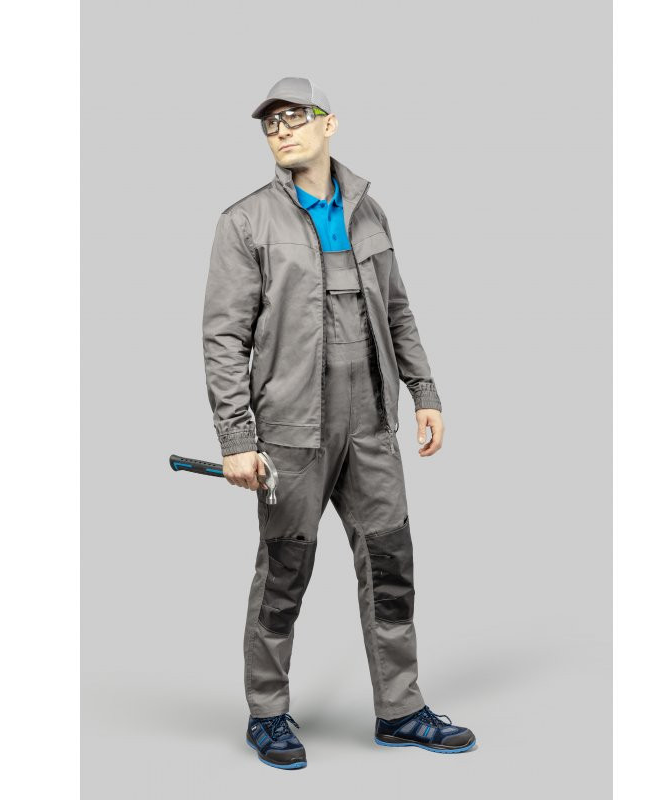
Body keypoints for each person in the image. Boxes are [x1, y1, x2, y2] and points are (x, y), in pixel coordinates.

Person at [202, 76, 477, 770]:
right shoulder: (245, 222)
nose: (282, 131)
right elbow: (224, 339)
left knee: (391, 566)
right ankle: (268, 713)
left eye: (295, 118)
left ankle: (401, 709)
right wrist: (237, 439)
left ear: (329, 124)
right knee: (284, 572)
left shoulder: (368, 211)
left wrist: (424, 391)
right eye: (271, 124)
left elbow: (398, 309)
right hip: (291, 429)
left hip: (371, 423)